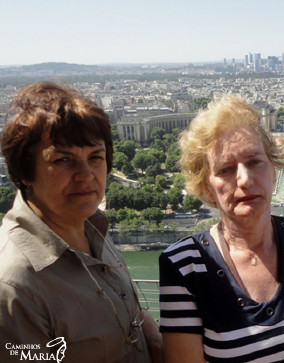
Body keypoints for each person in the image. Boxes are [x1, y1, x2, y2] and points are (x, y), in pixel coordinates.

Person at [159, 96, 284, 362]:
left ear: (274, 170)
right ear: (208, 187)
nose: (245, 179)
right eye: (227, 169)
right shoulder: (184, 266)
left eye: (255, 162)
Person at [0, 82, 163, 362]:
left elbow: (131, 316)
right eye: (63, 160)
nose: (86, 175)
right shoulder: (14, 286)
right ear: (24, 172)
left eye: (95, 157)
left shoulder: (87, 224)